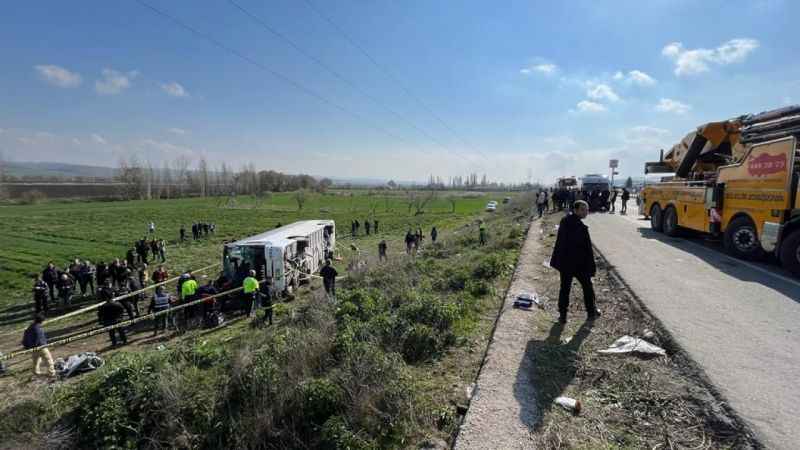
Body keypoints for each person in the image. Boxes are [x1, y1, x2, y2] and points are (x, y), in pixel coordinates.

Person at [549, 200, 600, 324]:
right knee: (587, 287)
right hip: (578, 264)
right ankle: (591, 312)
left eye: (587, 209)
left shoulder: (565, 222)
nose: (586, 212)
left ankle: (563, 316)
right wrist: (591, 266)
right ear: (575, 210)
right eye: (583, 209)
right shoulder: (579, 227)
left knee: (565, 288)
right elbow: (586, 250)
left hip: (565, 263)